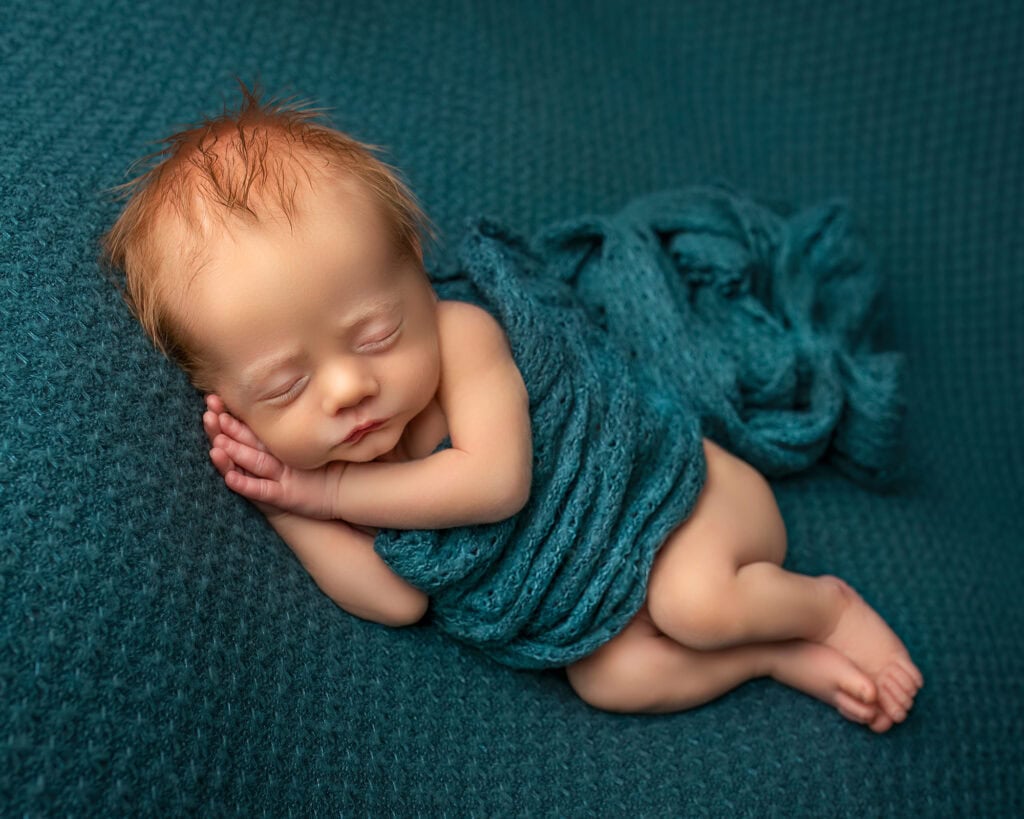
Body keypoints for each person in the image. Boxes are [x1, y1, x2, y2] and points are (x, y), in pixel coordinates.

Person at [102, 86, 922, 732]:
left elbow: (495, 480)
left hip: (692, 503)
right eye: (284, 388)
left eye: (377, 331)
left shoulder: (463, 335)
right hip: (605, 609)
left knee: (694, 603)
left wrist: (325, 493)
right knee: (611, 678)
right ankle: (776, 656)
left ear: (416, 268)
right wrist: (279, 497)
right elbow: (397, 599)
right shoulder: (321, 471)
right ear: (232, 402)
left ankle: (826, 604)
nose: (347, 388)